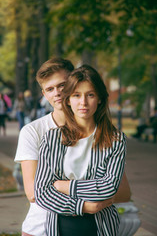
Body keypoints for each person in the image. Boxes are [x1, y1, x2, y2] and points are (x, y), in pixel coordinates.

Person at [14, 57, 130, 236]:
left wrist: (62, 185)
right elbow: (35, 193)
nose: (58, 93)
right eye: (50, 89)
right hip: (41, 227)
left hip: (98, 227)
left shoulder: (110, 138)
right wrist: (85, 204)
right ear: (44, 94)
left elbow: (119, 190)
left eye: (62, 85)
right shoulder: (37, 133)